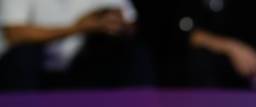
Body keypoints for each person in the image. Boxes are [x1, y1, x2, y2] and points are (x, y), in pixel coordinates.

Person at [0, 0, 153, 90]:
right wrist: (79, 27)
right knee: (24, 54)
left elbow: (131, 26)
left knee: (130, 50)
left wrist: (116, 24)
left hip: (83, 64)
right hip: (34, 67)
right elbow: (15, 34)